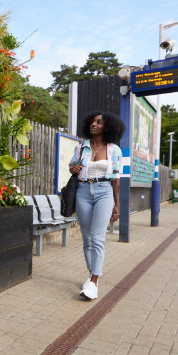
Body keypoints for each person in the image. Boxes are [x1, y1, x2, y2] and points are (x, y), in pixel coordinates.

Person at [68, 110, 125, 300]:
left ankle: (93, 281)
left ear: (107, 127)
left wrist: (117, 205)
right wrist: (74, 168)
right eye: (92, 121)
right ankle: (91, 274)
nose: (94, 124)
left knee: (98, 237)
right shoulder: (81, 148)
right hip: (83, 191)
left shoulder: (114, 150)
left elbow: (116, 179)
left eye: (99, 122)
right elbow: (72, 166)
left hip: (104, 191)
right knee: (87, 238)